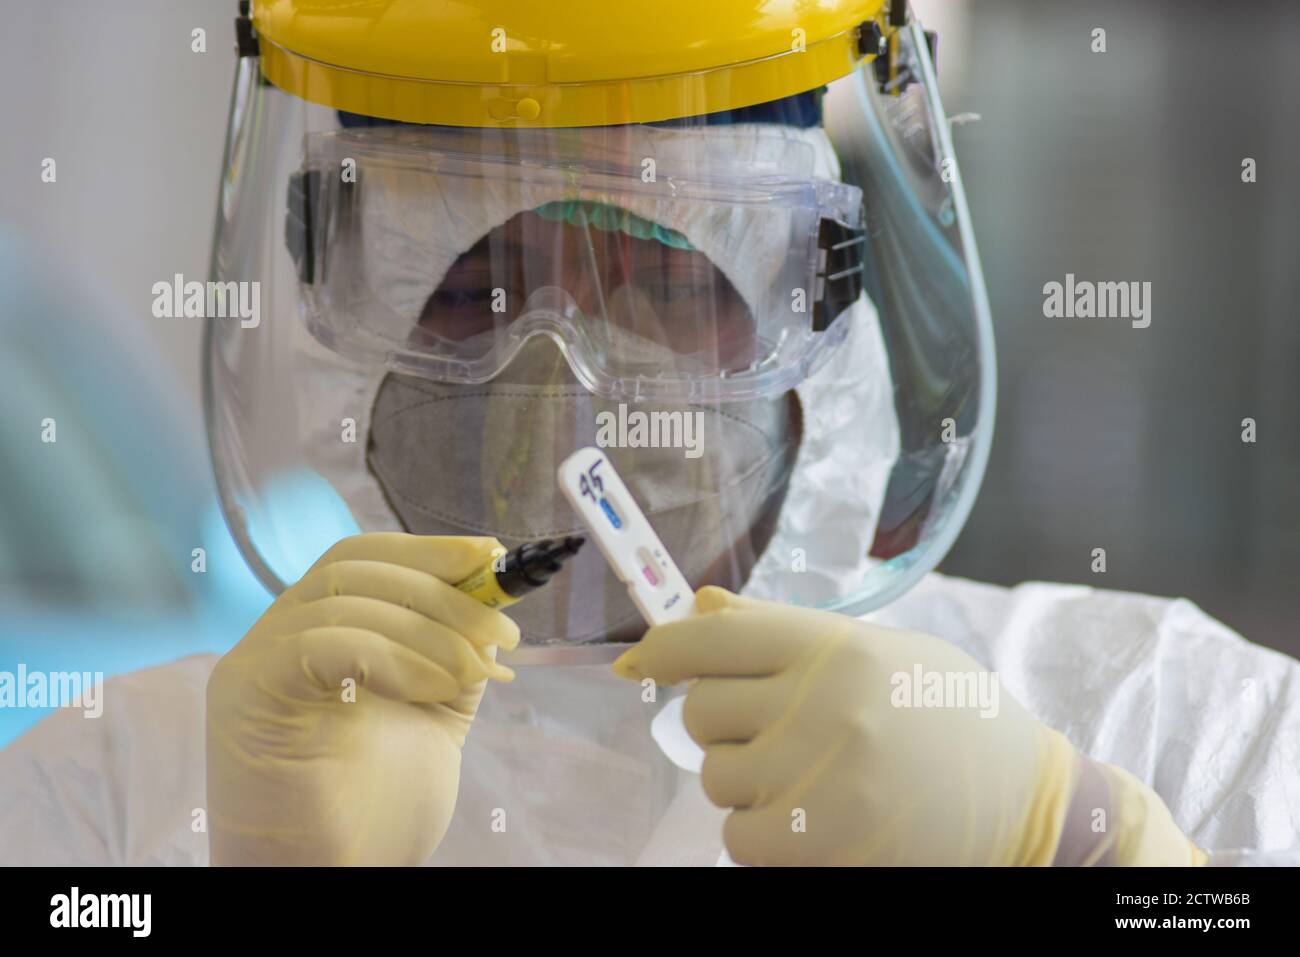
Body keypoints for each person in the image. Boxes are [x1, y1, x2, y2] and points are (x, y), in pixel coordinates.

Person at [2, 0, 1297, 867]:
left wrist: (1070, 837)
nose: (563, 377)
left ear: (821, 287)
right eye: (469, 289)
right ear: (342, 301)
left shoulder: (1159, 717)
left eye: (668, 276)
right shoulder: (130, 786)